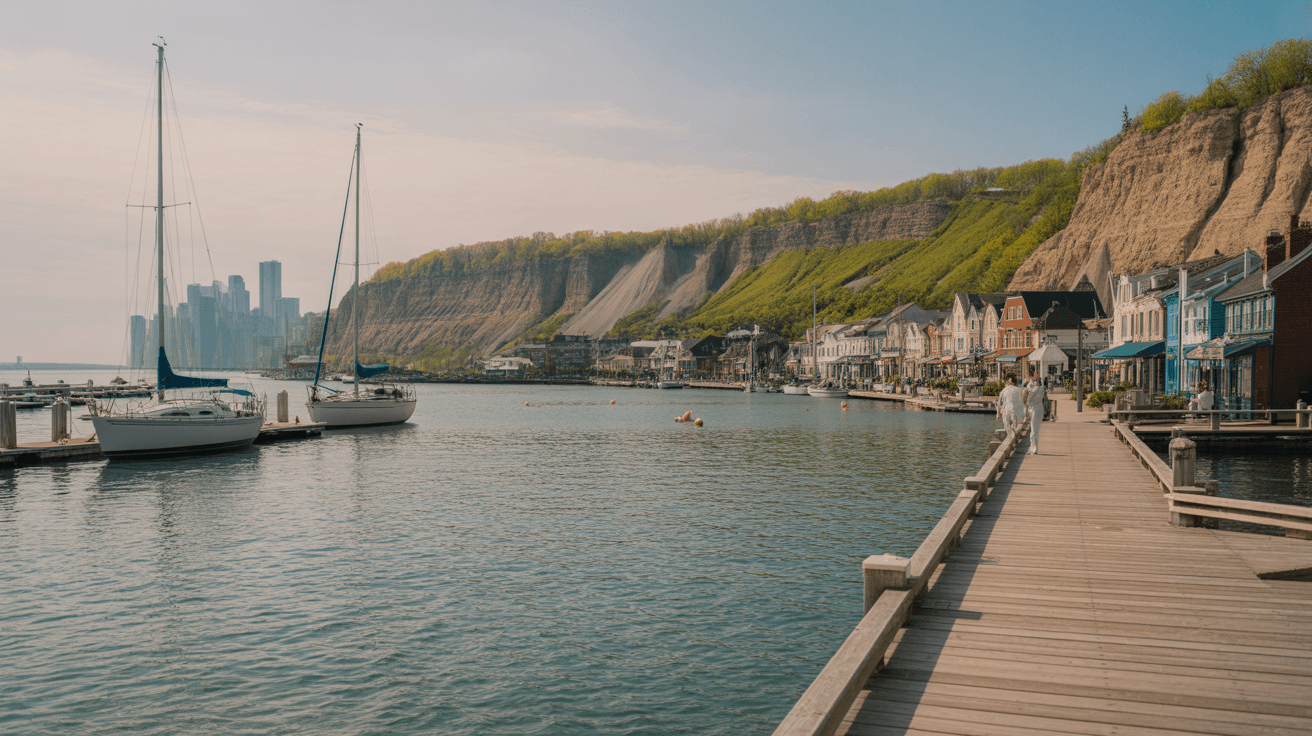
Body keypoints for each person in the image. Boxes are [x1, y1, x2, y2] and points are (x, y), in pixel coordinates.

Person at [1023, 378, 1047, 454]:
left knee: (1033, 430)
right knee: (1036, 430)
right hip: (1040, 409)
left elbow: (1028, 395)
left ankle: (1034, 448)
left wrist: (1029, 385)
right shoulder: (1042, 388)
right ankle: (1033, 446)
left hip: (1034, 411)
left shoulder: (1034, 390)